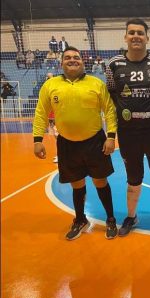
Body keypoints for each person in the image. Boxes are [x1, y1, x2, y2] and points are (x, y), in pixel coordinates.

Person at [32, 47, 118, 241]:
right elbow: (41, 113)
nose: (72, 60)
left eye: (76, 57)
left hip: (95, 142)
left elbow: (110, 111)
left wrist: (111, 137)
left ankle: (111, 219)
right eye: (68, 58)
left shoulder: (96, 84)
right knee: (76, 184)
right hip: (67, 144)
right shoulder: (50, 85)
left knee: (100, 182)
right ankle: (80, 219)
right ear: (61, 62)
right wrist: (38, 139)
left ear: (82, 61)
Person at [105, 18, 150, 237]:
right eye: (131, 32)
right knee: (133, 178)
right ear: (125, 37)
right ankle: (131, 216)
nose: (135, 36)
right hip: (128, 134)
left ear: (147, 37)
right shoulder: (113, 65)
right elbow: (111, 96)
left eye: (140, 33)